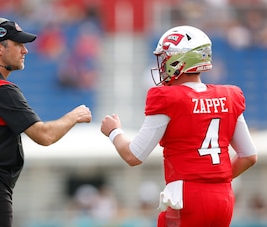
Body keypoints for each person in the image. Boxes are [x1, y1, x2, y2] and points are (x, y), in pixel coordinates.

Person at [100, 25, 257, 227]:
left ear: (180, 59)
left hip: (187, 197)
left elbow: (134, 155)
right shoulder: (229, 96)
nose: (162, 64)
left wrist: (114, 132)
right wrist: (214, 178)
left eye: (165, 58)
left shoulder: (168, 98)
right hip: (223, 197)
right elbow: (249, 156)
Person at [0, 17, 92, 227]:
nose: (25, 50)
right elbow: (44, 135)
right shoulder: (0, 90)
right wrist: (75, 116)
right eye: (18, 44)